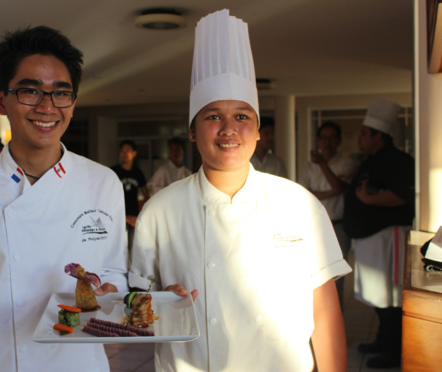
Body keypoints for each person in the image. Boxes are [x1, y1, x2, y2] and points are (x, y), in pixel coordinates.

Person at [128, 9, 351, 371]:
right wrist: (159, 305)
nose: (229, 129)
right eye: (213, 116)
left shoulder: (299, 205)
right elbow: (137, 309)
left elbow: (324, 313)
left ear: (259, 130)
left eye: (243, 116)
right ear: (192, 131)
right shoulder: (159, 211)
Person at [0, 26, 127, 372]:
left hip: (81, 364)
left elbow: (113, 272)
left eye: (60, 93)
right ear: (2, 100)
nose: (47, 107)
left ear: (73, 103)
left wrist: (110, 291)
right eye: (30, 91)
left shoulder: (103, 183)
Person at [343, 98, 414, 369]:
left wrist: (370, 201)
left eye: (364, 133)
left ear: (378, 137)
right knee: (378, 297)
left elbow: (403, 195)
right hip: (371, 239)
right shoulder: (375, 160)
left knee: (390, 297)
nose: (360, 138)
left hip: (386, 238)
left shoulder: (397, 160)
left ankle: (394, 350)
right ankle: (383, 341)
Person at [298, 121, 358, 310]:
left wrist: (323, 165)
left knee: (335, 278)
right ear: (317, 140)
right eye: (324, 138)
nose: (328, 142)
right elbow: (304, 195)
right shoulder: (308, 167)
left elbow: (339, 187)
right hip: (311, 228)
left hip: (338, 226)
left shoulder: (348, 164)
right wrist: (333, 190)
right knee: (311, 275)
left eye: (332, 138)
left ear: (339, 140)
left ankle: (336, 324)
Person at [111, 140, 150, 253]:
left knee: (134, 248)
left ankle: (131, 270)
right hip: (118, 215)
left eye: (127, 150)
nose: (124, 153)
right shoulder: (114, 171)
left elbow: (146, 194)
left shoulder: (137, 173)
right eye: (122, 151)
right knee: (119, 248)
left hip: (134, 216)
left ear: (134, 153)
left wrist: (142, 215)